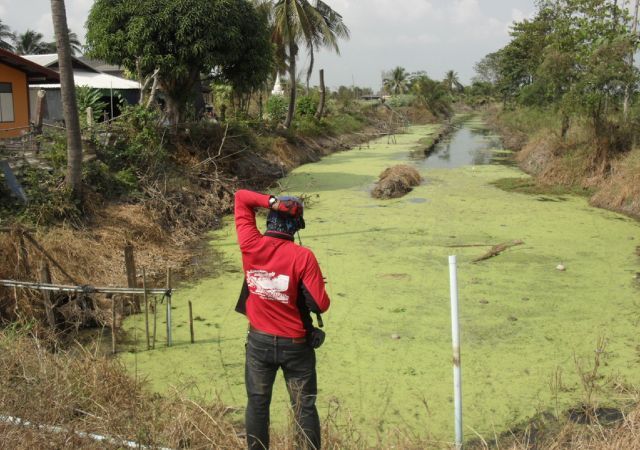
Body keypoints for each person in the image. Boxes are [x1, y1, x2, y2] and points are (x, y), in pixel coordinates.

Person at [234, 189, 330, 450]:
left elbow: (241, 197)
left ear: (270, 220)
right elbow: (320, 303)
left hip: (259, 343)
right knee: (303, 406)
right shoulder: (303, 256)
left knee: (257, 402)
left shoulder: (250, 244)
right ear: (295, 226)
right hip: (296, 347)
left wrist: (273, 202)